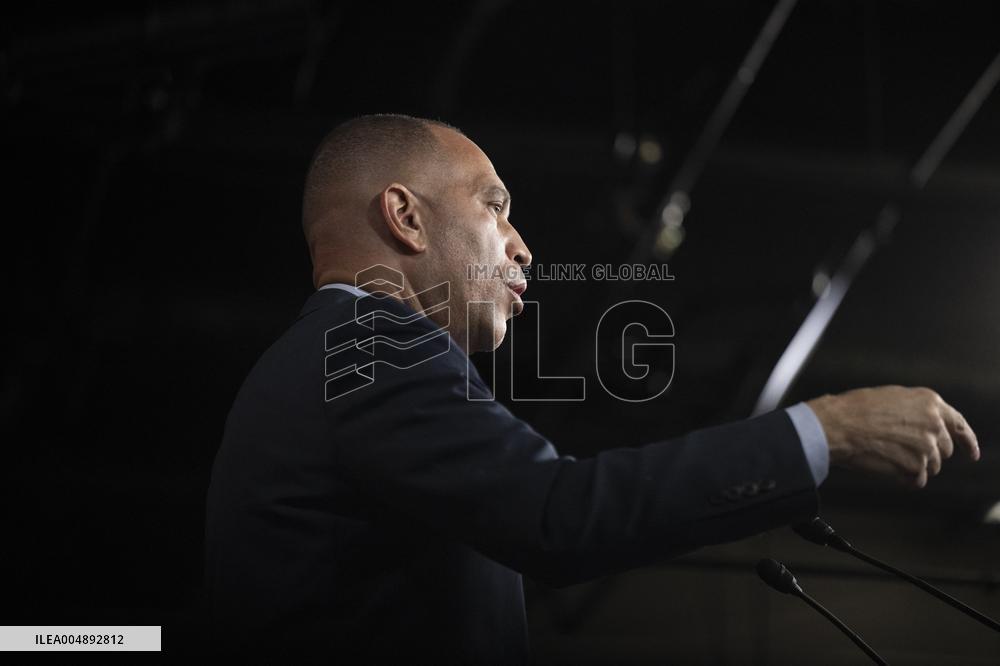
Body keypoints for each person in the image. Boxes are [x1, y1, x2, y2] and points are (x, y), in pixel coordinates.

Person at [203, 114, 980, 663]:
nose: (524, 247)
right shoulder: (370, 344)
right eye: (494, 206)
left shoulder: (330, 356)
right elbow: (557, 514)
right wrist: (822, 430)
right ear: (404, 216)